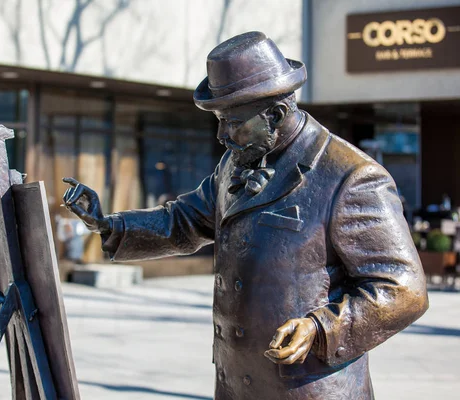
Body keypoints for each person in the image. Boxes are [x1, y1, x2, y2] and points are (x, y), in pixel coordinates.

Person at [62, 32, 428, 400]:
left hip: (310, 389)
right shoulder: (235, 163)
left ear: (276, 114)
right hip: (237, 383)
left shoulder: (350, 177)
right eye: (220, 120)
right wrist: (110, 224)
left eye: (232, 121)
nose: (222, 135)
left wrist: (322, 328)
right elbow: (184, 220)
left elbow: (404, 289)